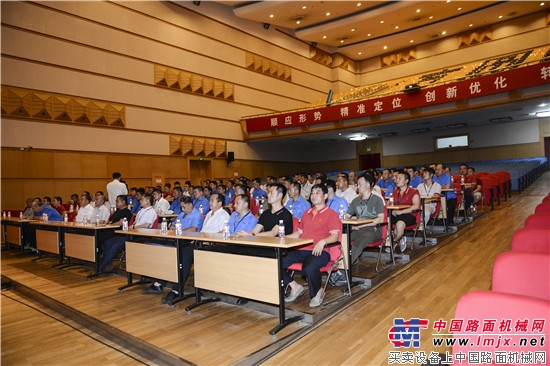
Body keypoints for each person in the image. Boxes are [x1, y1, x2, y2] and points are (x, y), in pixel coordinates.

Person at [283, 184, 342, 308]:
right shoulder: (306, 213)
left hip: (320, 251)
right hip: (302, 249)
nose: (314, 195)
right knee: (277, 261)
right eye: (312, 193)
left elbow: (335, 236)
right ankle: (295, 287)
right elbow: (299, 233)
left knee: (308, 268)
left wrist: (323, 241)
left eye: (318, 193)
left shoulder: (331, 214)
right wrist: (283, 239)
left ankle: (319, 292)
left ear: (325, 196)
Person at [154, 196, 205, 304]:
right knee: (167, 254)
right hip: (178, 241)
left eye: (184, 207)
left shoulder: (196, 214)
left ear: (191, 205)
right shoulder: (182, 215)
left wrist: (179, 230)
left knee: (184, 259)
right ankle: (159, 283)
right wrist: (177, 229)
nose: (182, 209)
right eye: (181, 207)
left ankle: (176, 290)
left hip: (191, 243)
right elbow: (172, 226)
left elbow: (193, 229)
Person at [100, 194, 157, 272]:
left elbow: (147, 225)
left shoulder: (151, 212)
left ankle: (101, 267)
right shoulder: (141, 210)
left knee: (116, 245)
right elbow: (136, 222)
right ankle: (107, 264)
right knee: (108, 242)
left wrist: (134, 227)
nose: (140, 201)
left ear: (147, 201)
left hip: (140, 235)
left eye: (142, 200)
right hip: (132, 233)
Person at [93, 195, 132, 273]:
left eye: (117, 201)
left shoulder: (127, 212)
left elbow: (121, 223)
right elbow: (110, 221)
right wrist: (107, 223)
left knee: (108, 242)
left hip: (119, 233)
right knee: (105, 241)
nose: (116, 203)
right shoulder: (117, 211)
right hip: (111, 231)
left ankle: (101, 266)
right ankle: (105, 263)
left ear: (123, 202)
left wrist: (111, 224)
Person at [390, 171, 421, 253]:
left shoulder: (414, 192)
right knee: (385, 221)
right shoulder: (394, 192)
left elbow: (416, 206)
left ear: (406, 181)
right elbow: (389, 204)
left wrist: (401, 212)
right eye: (396, 178)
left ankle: (394, 241)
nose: (397, 180)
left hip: (409, 215)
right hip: (396, 214)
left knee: (399, 225)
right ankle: (398, 238)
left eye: (400, 178)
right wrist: (392, 210)